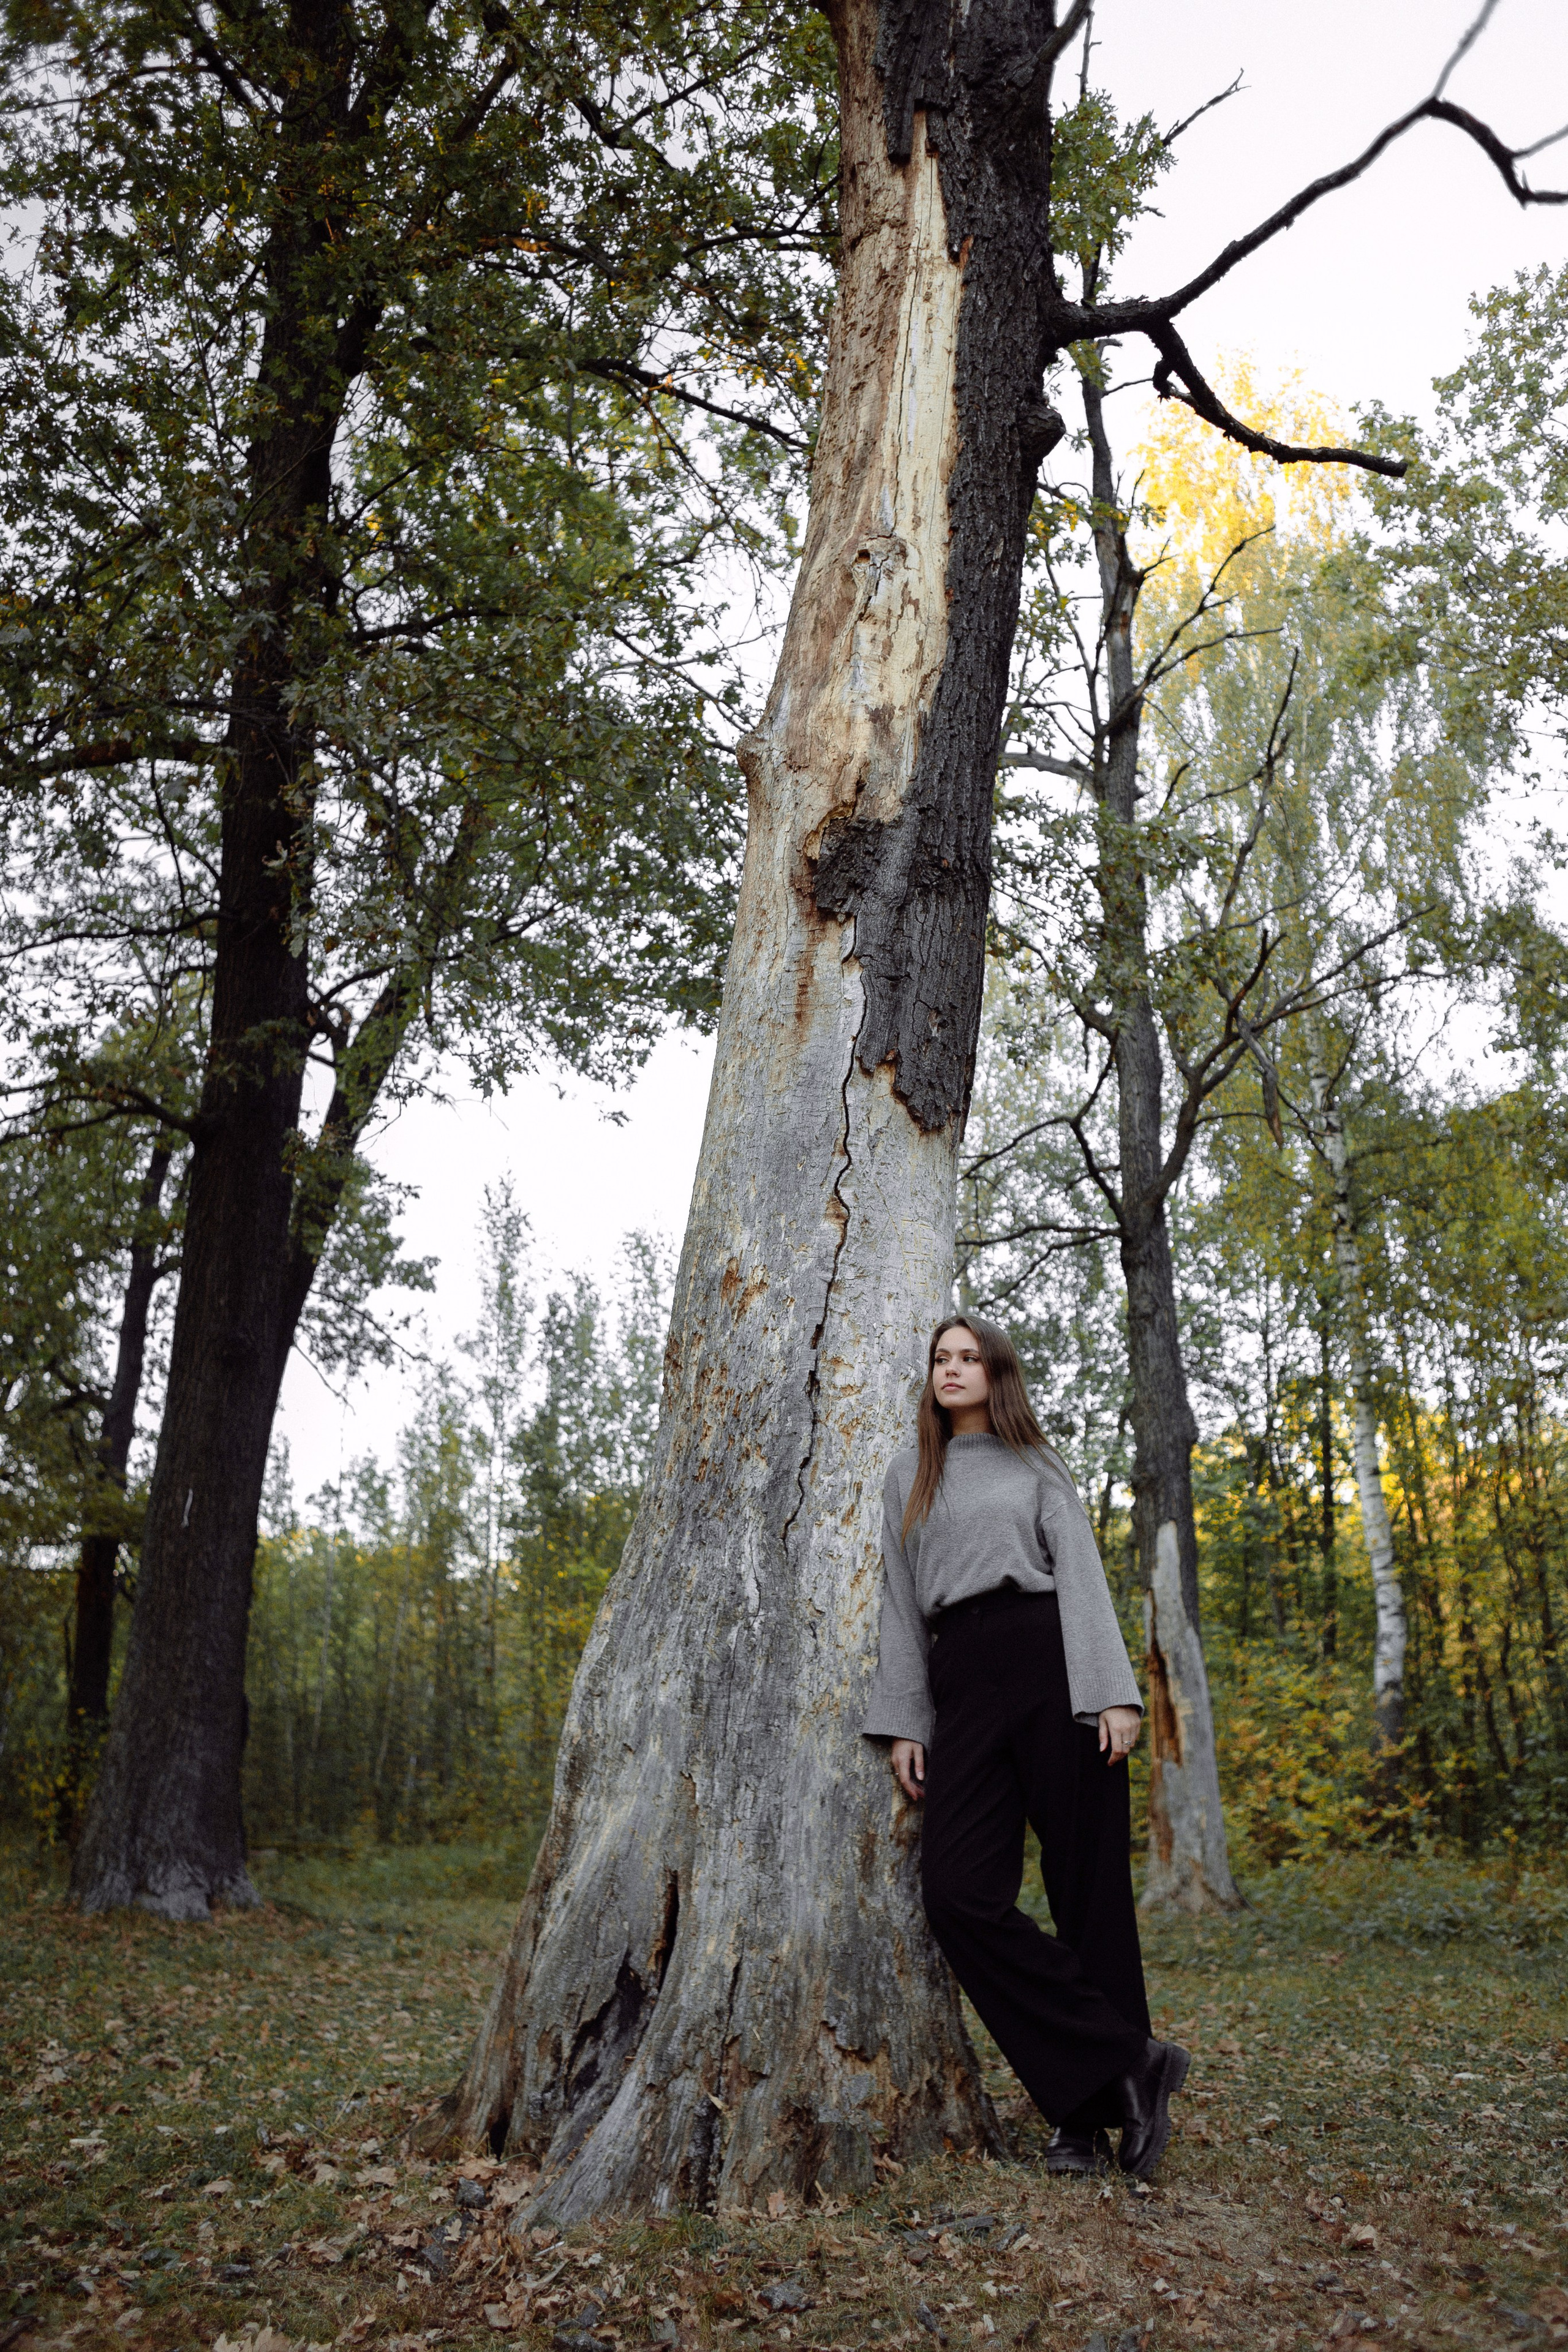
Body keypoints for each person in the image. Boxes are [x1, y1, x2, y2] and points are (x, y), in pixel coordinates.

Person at [862, 1313, 1189, 2178]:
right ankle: (1131, 2061)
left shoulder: (1037, 1464)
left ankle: (1088, 2121)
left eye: (970, 1357)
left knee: (1088, 1897)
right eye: (941, 1358)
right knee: (958, 1894)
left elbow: (1079, 1573)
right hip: (960, 1682)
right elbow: (899, 1603)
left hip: (1053, 1668)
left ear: (998, 1373)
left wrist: (1113, 1695)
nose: (953, 1369)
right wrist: (904, 1718)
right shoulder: (908, 1475)